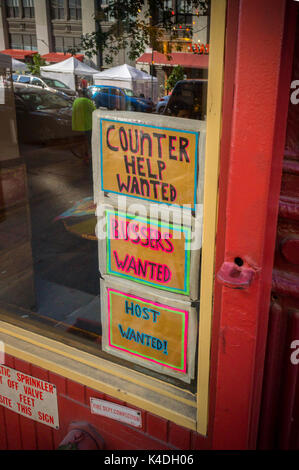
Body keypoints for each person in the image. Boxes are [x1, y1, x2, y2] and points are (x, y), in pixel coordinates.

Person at [72, 89, 96, 164]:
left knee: (82, 142)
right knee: (89, 142)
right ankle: (88, 157)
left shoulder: (76, 101)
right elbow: (94, 111)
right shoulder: (88, 102)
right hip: (87, 126)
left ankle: (84, 157)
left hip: (77, 126)